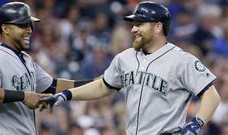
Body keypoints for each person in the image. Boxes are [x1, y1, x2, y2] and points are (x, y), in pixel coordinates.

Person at [41, 1, 221, 135]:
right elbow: (104, 85)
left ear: (158, 26)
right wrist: (66, 95)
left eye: (140, 24)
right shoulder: (124, 57)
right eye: (133, 24)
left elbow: (211, 95)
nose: (133, 29)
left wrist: (196, 124)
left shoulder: (181, 60)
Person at [0, 2, 93, 135]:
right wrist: (24, 96)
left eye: (30, 25)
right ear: (6, 29)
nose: (29, 30)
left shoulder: (26, 59)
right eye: (23, 25)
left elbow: (53, 86)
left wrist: (95, 83)